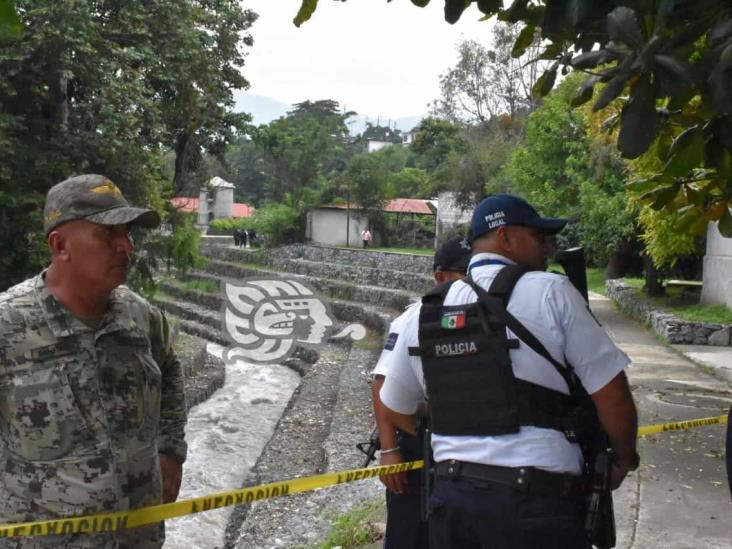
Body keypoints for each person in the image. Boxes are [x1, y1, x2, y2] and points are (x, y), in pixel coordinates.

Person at [378, 194, 639, 549]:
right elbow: (612, 393)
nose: (547, 248)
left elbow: (393, 405)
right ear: (506, 237)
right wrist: (622, 457)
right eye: (539, 237)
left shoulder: (425, 311)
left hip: (453, 505)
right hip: (537, 505)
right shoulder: (553, 292)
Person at [0, 174, 188, 548]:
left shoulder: (140, 316)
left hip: (138, 536)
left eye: (128, 234)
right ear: (60, 245)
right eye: (108, 235)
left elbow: (169, 369)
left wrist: (170, 450)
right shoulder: (8, 327)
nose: (126, 247)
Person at [371, 235, 471, 549]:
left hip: (471, 455)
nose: (473, 282)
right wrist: (389, 450)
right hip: (421, 444)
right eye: (465, 274)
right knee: (411, 532)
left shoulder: (490, 313)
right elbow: (382, 384)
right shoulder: (415, 317)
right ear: (441, 277)